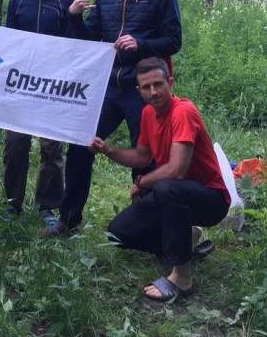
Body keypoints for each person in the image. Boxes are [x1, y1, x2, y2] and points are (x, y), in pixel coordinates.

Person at [44, 0, 182, 236]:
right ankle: (68, 220)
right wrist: (75, 17)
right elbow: (92, 41)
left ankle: (146, 224)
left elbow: (174, 40)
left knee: (146, 156)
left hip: (143, 91)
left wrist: (141, 43)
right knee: (81, 144)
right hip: (108, 88)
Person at [92, 57, 230, 302]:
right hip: (176, 194)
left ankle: (182, 276)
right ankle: (182, 244)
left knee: (166, 187)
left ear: (170, 83)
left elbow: (177, 170)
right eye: (146, 87)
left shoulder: (183, 111)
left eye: (158, 84)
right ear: (139, 91)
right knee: (119, 232)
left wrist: (141, 183)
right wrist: (108, 150)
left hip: (211, 200)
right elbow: (142, 156)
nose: (153, 92)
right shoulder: (147, 114)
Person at [3, 0, 73, 225]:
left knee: (52, 148)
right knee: (15, 144)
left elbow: (72, 44)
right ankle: (12, 204)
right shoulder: (18, 0)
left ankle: (47, 206)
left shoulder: (65, 1)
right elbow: (9, 41)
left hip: (52, 86)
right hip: (21, 85)